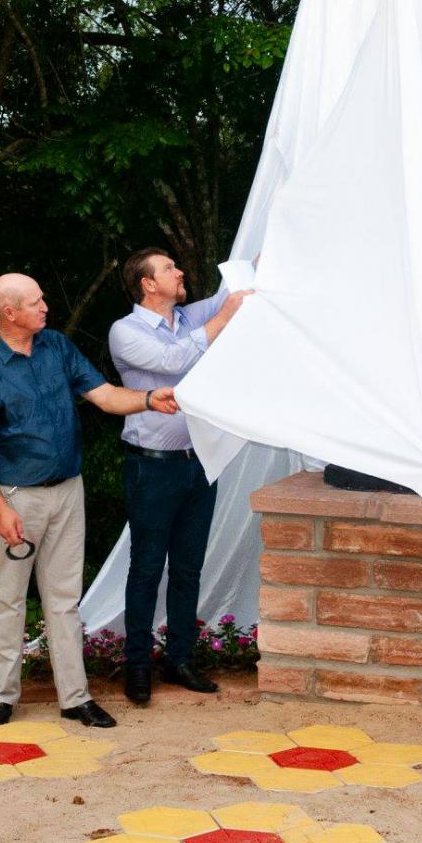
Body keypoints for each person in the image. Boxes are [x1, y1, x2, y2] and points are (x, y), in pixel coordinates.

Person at [0, 272, 178, 730]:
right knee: (7, 599)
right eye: (36, 302)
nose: (46, 308)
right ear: (10, 312)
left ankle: (75, 699)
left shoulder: (56, 347)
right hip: (15, 498)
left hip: (67, 491)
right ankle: (0, 697)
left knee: (64, 600)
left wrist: (149, 398)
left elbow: (104, 396)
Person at [108, 248, 251, 705]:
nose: (180, 271)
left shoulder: (190, 317)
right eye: (169, 268)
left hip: (199, 463)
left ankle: (181, 659)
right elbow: (171, 361)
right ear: (148, 284)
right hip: (151, 465)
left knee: (189, 567)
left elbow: (237, 292)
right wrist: (224, 318)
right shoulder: (125, 332)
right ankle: (137, 666)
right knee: (147, 567)